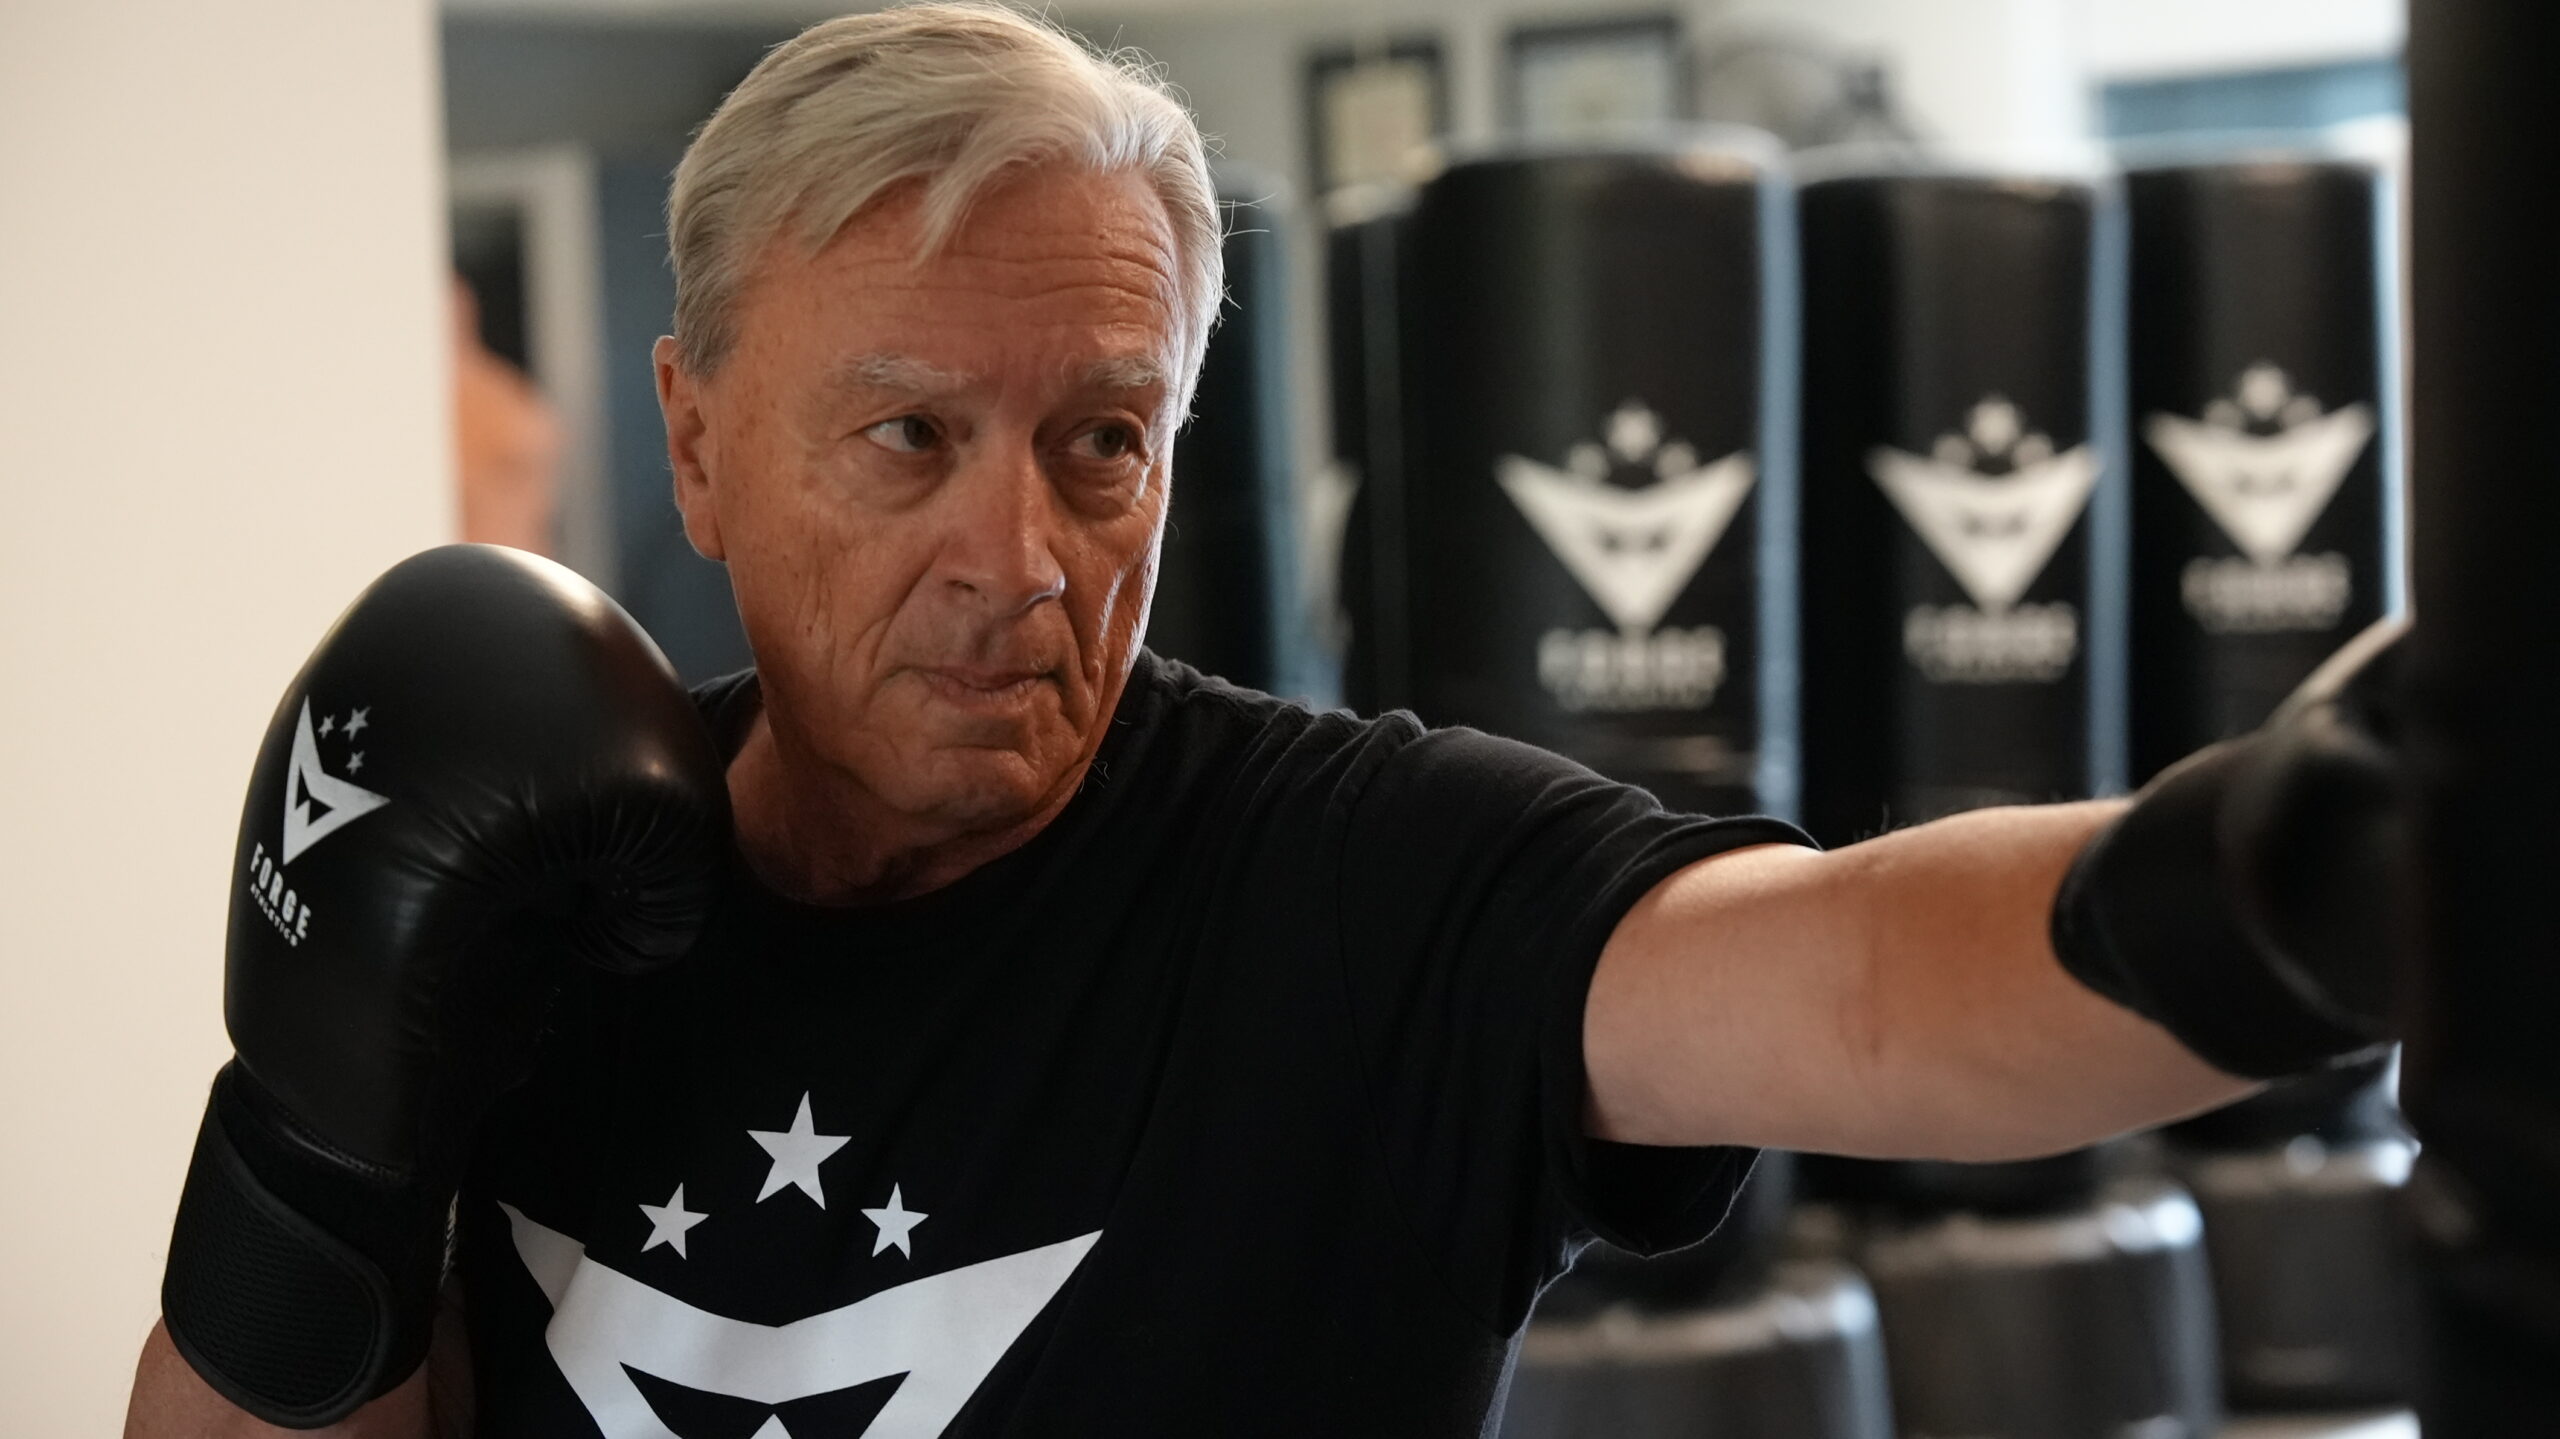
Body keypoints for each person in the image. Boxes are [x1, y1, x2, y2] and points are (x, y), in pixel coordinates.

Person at [124, 5, 2396, 1436]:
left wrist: (2326, 864)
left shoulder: (1359, 891)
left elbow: (1879, 983)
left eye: (1100, 443)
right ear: (696, 439)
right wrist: (313, 1133)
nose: (1018, 556)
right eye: (906, 438)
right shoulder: (532, 897)